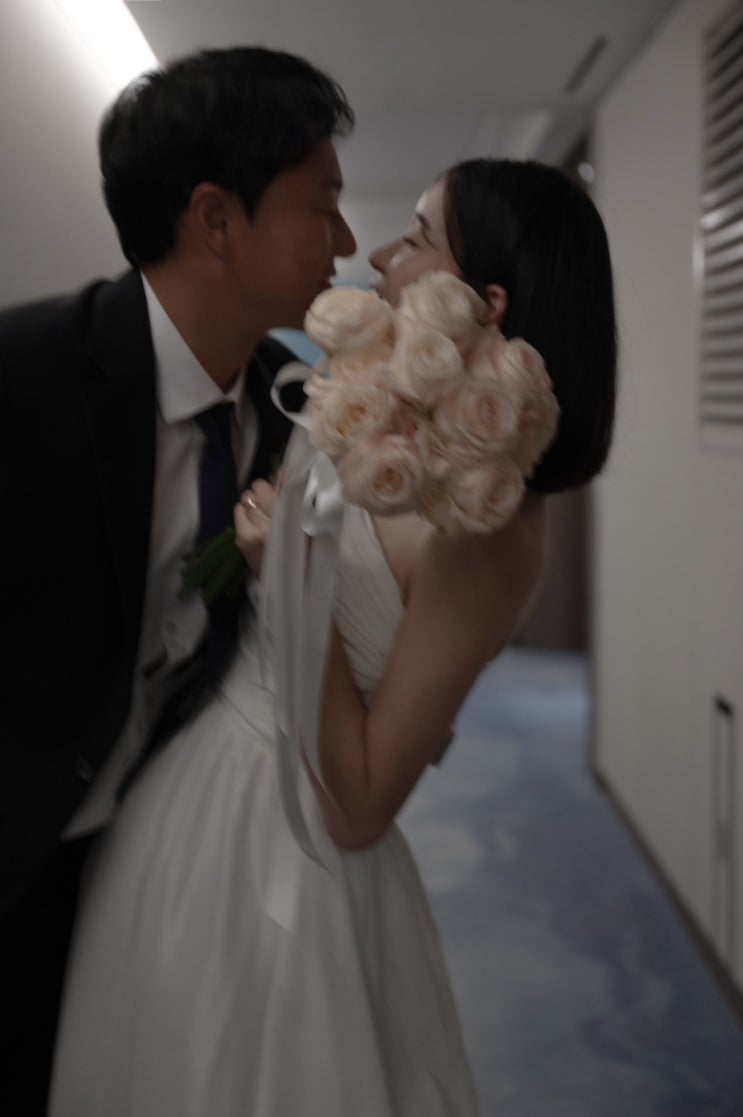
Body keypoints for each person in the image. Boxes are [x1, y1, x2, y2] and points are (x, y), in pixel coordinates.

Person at [49, 159, 617, 1116]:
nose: (382, 253)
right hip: (189, 787)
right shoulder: (378, 408)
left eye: (419, 236)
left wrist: (290, 579)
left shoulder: (490, 526)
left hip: (287, 833)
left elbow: (358, 804)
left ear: (484, 302)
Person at [0, 45, 356, 1114]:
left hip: (158, 863)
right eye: (322, 204)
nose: (346, 243)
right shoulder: (28, 378)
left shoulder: (291, 406)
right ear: (214, 219)